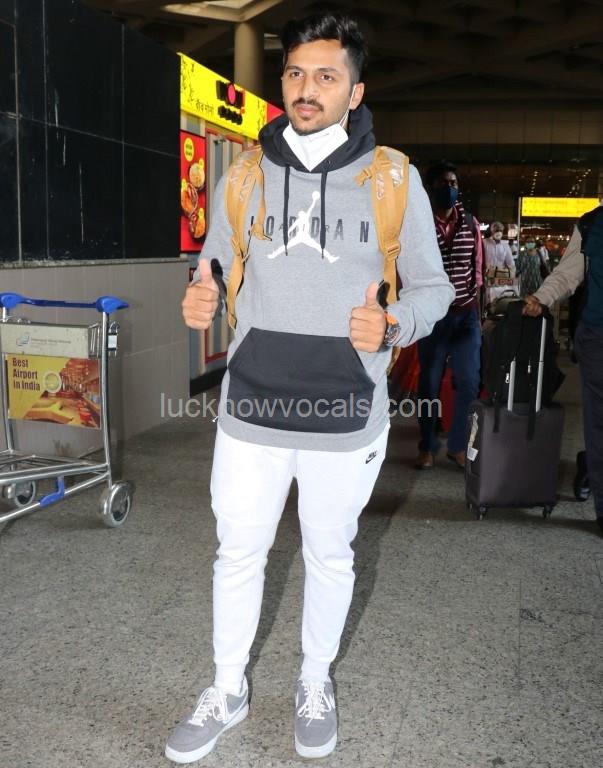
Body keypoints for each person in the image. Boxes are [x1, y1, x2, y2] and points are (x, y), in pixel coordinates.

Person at [166, 12, 454, 764]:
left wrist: (392, 325)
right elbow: (214, 264)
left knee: (330, 554)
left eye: (326, 76)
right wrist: (202, 295)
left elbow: (434, 289)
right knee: (238, 552)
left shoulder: (394, 180)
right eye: (295, 72)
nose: (306, 88)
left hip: (346, 410)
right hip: (251, 404)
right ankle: (226, 688)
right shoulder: (245, 174)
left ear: (354, 91)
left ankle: (314, 680)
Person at [523, 204, 603, 535]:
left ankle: (588, 464)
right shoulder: (592, 225)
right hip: (597, 336)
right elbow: (568, 274)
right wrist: (542, 298)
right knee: (599, 423)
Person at [415, 161, 483, 470]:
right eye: (443, 183)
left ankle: (457, 446)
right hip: (433, 317)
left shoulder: (470, 223)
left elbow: (477, 269)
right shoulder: (419, 224)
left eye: (453, 183)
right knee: (429, 384)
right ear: (431, 188)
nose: (450, 188)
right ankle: (427, 445)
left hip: (465, 314)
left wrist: (477, 312)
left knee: (469, 381)